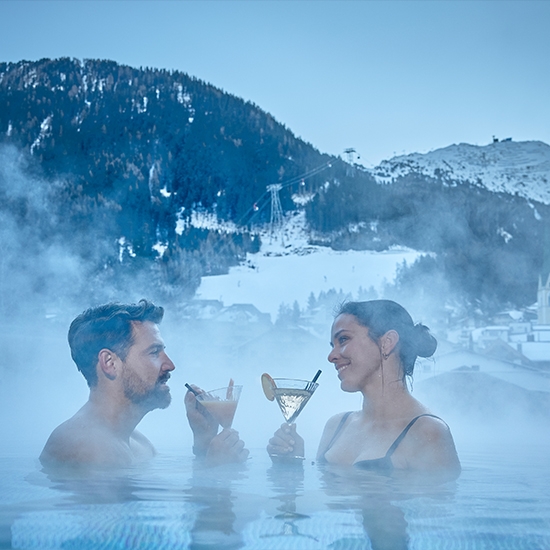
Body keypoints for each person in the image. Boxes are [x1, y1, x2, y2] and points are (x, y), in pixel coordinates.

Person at [40, 299, 248, 468]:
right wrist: (216, 469)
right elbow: (127, 518)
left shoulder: (136, 442)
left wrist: (203, 443)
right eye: (154, 352)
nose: (170, 365)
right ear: (110, 363)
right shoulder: (86, 449)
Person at [267, 300, 461, 479]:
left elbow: (439, 512)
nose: (331, 356)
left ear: (387, 342)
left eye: (343, 339)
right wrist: (290, 465)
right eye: (332, 345)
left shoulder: (428, 433)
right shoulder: (336, 426)